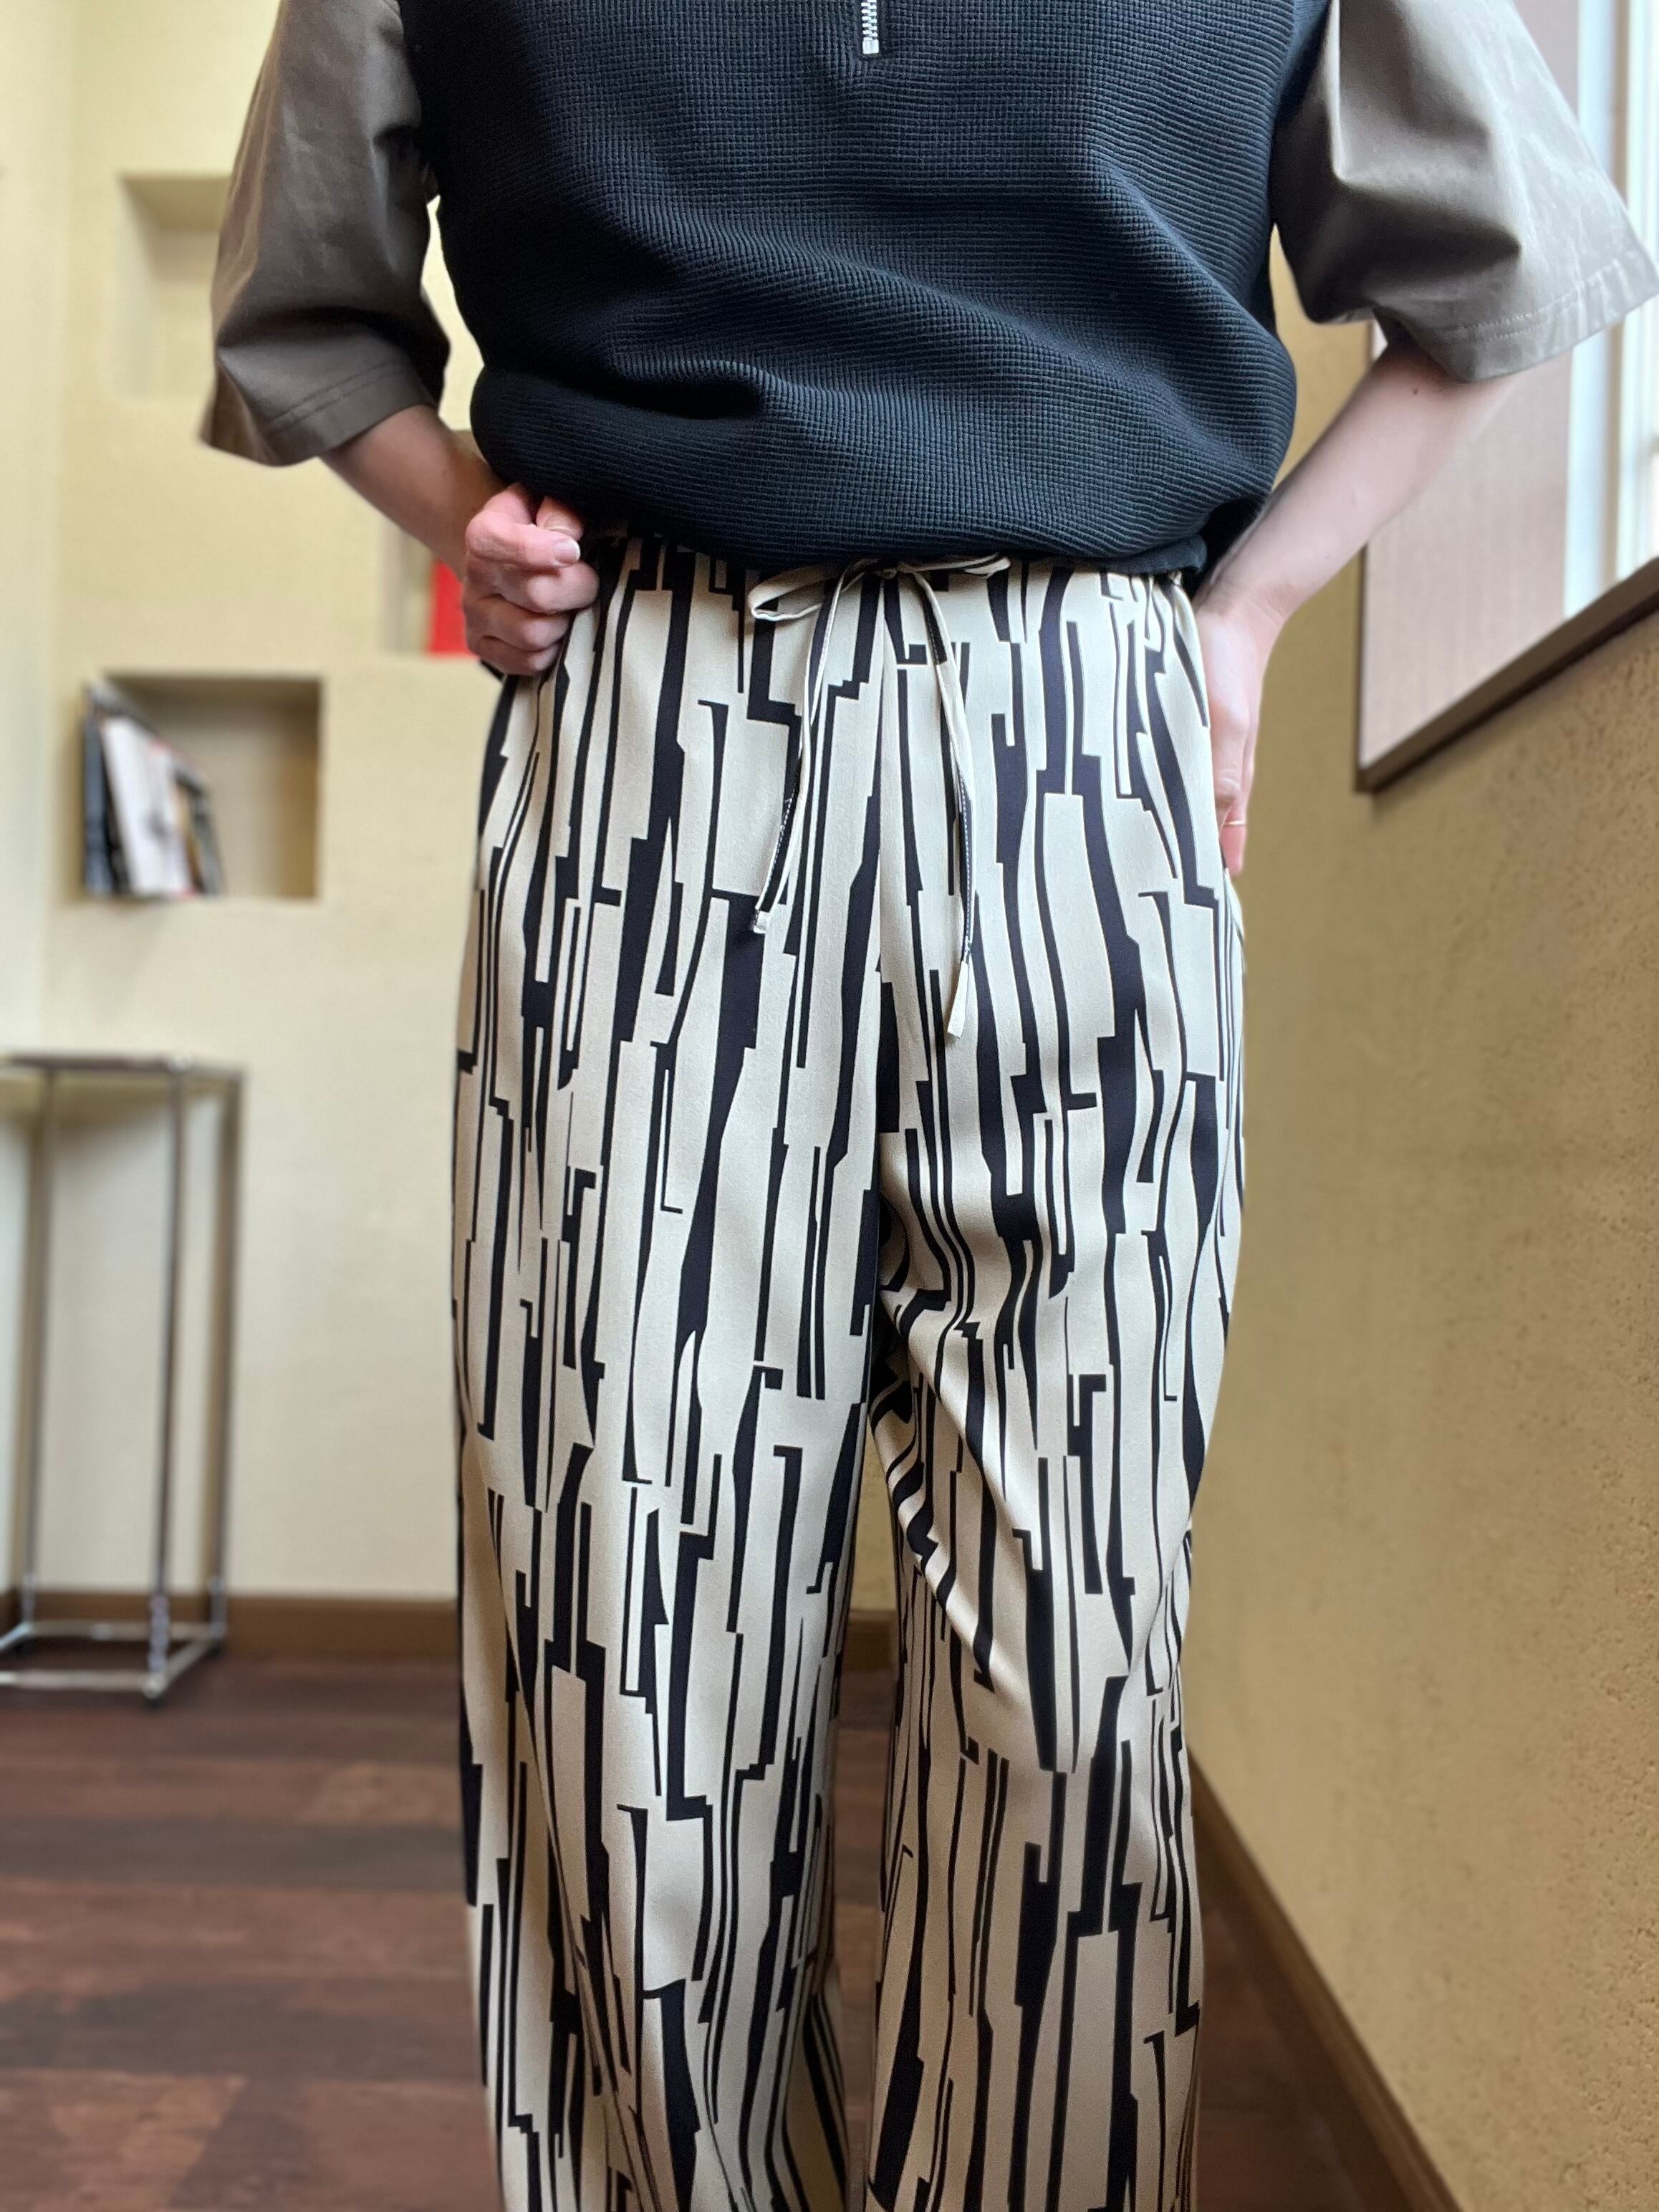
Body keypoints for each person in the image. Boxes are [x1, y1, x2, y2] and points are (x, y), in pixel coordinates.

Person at [205, 3, 1655, 2206]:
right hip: (654, 711)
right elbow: (304, 305)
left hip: (1079, 713)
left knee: (1072, 1661)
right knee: (629, 1636)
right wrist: (467, 518)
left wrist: (1248, 617)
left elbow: (1501, 260)